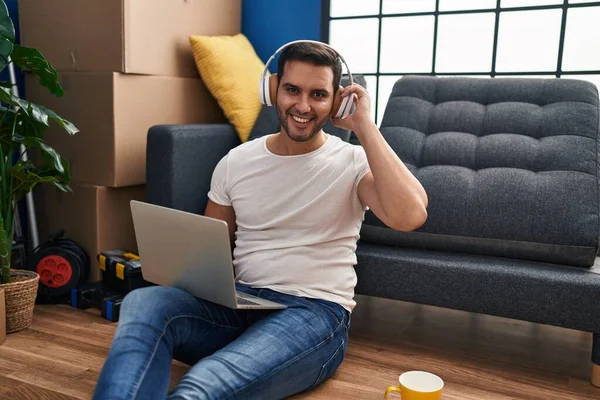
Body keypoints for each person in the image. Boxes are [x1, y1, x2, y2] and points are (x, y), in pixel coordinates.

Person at [92, 41, 428, 400]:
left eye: (318, 94)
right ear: (272, 91)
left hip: (313, 313)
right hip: (239, 305)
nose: (302, 105)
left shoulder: (354, 162)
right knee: (144, 302)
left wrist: (365, 126)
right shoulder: (236, 162)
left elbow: (410, 215)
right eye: (292, 90)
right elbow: (212, 250)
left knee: (199, 388)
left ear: (337, 102)